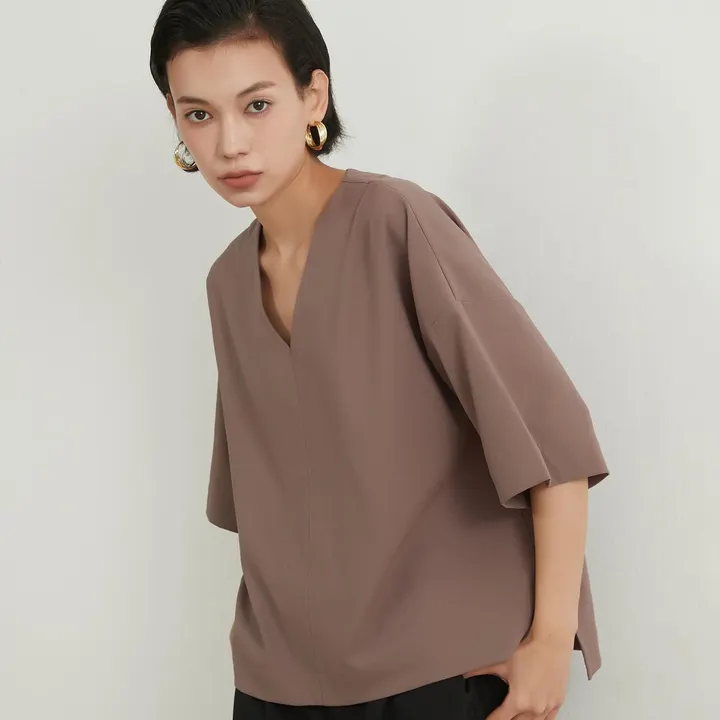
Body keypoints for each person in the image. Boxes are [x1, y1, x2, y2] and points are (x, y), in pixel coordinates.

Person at [149, 1, 610, 718]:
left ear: (314, 97)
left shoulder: (396, 223)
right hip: (277, 684)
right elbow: (272, 505)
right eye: (199, 114)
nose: (230, 143)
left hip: (440, 673)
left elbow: (553, 442)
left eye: (257, 104)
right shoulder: (228, 283)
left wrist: (550, 641)